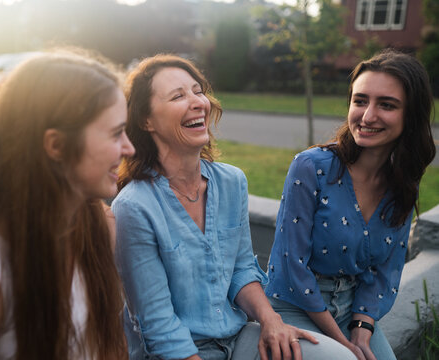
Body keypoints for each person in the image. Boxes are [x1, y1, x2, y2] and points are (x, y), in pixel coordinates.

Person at [113, 54, 356, 360]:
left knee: (340, 358)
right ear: (145, 120)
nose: (199, 102)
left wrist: (271, 320)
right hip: (177, 352)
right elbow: (158, 325)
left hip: (237, 336)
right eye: (178, 96)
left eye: (198, 91)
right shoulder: (134, 207)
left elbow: (241, 269)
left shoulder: (232, 181)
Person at [0, 49, 135, 360]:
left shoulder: (99, 225)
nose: (129, 147)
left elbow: (112, 346)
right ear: (56, 145)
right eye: (115, 133)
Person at [265, 49, 436, 360]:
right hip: (293, 306)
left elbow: (386, 271)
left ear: (410, 115)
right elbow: (292, 266)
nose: (368, 116)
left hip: (351, 310)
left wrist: (361, 327)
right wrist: (341, 343)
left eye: (386, 105)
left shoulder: (402, 183)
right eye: (360, 101)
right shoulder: (311, 167)